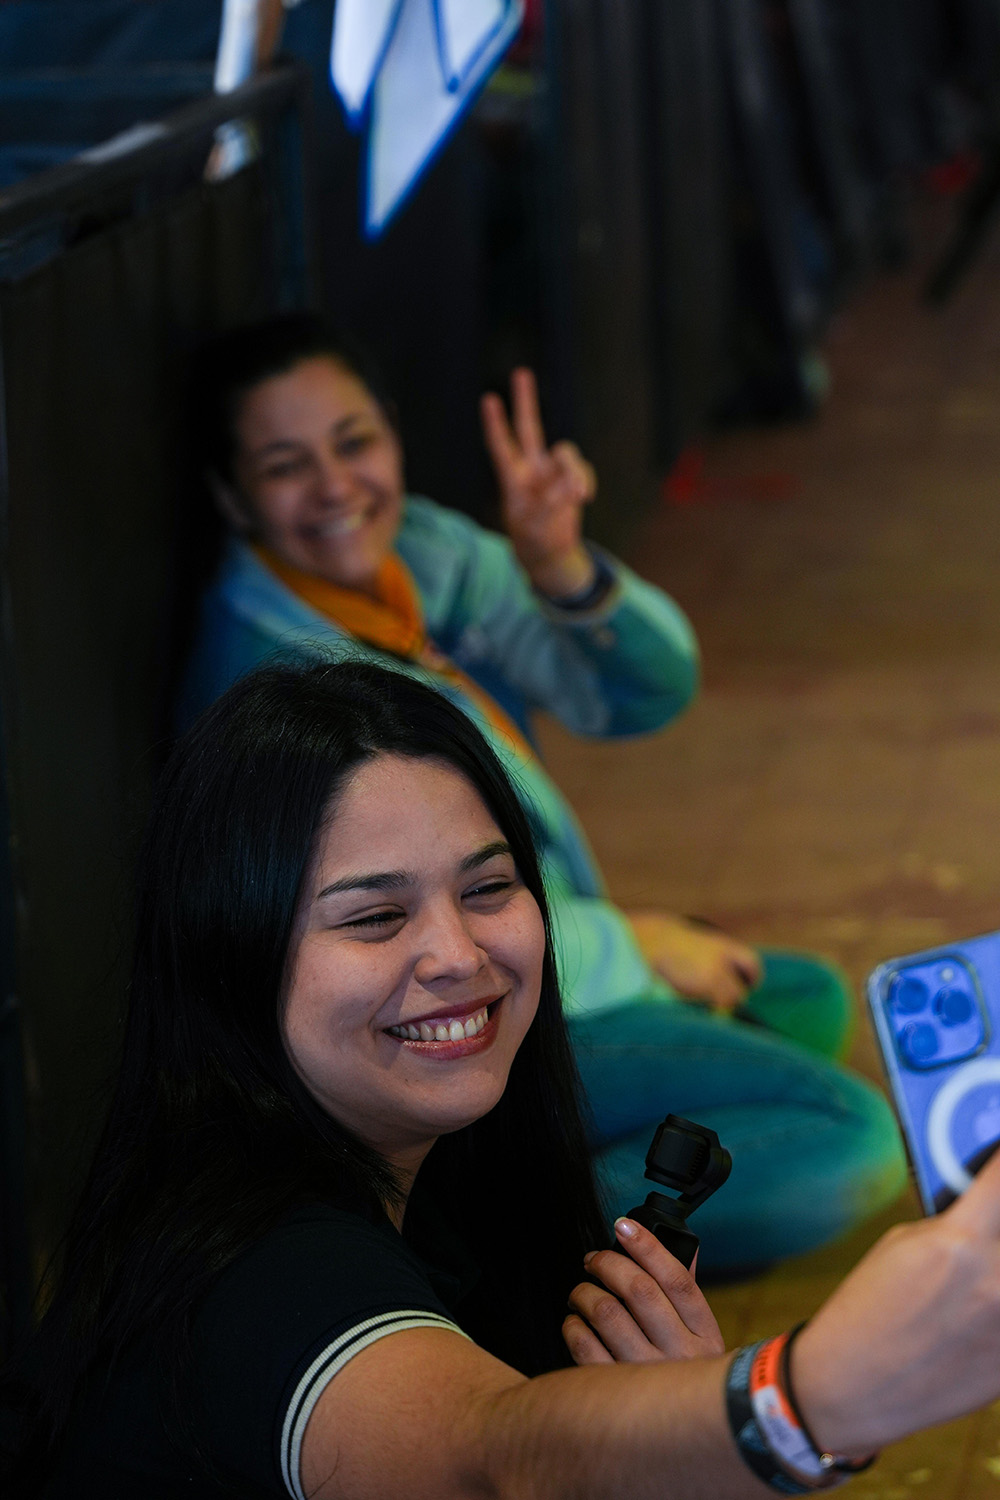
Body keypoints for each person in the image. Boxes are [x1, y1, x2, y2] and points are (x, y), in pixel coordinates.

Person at [5, 658, 1000, 1500]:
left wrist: (666, 1429)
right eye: (374, 917)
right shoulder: (262, 1267)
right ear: (232, 953)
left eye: (488, 887)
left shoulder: (450, 1166)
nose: (459, 955)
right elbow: (493, 1455)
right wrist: (810, 1397)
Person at [177, 313, 905, 1270]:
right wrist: (638, 947)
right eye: (286, 466)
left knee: (808, 1000)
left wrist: (563, 569)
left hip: (535, 961)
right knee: (854, 1139)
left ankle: (528, 1176)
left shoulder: (422, 558)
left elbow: (648, 692)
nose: (336, 486)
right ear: (231, 496)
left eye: (354, 442)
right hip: (444, 1021)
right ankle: (498, 1238)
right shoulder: (271, 680)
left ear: (393, 431)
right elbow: (414, 945)